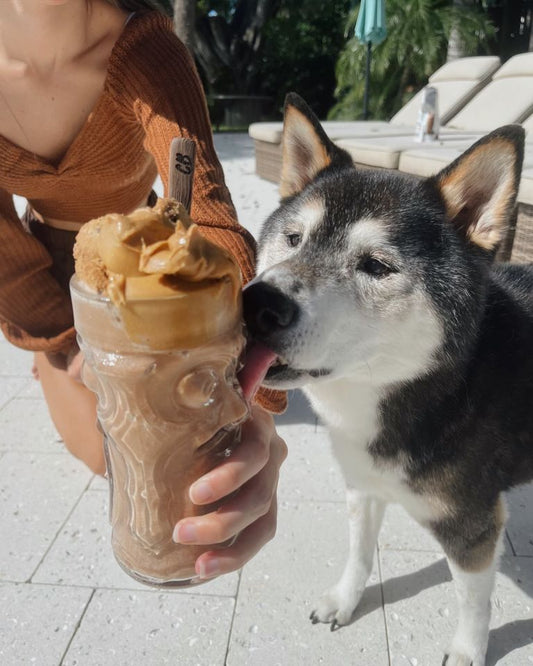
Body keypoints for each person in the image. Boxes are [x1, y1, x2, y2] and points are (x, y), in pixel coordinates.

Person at [0, 0, 287, 581]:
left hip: (159, 269)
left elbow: (210, 220)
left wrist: (238, 369)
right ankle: (46, 366)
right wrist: (66, 343)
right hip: (50, 272)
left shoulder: (146, 53)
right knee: (103, 456)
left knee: (178, 476)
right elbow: (5, 259)